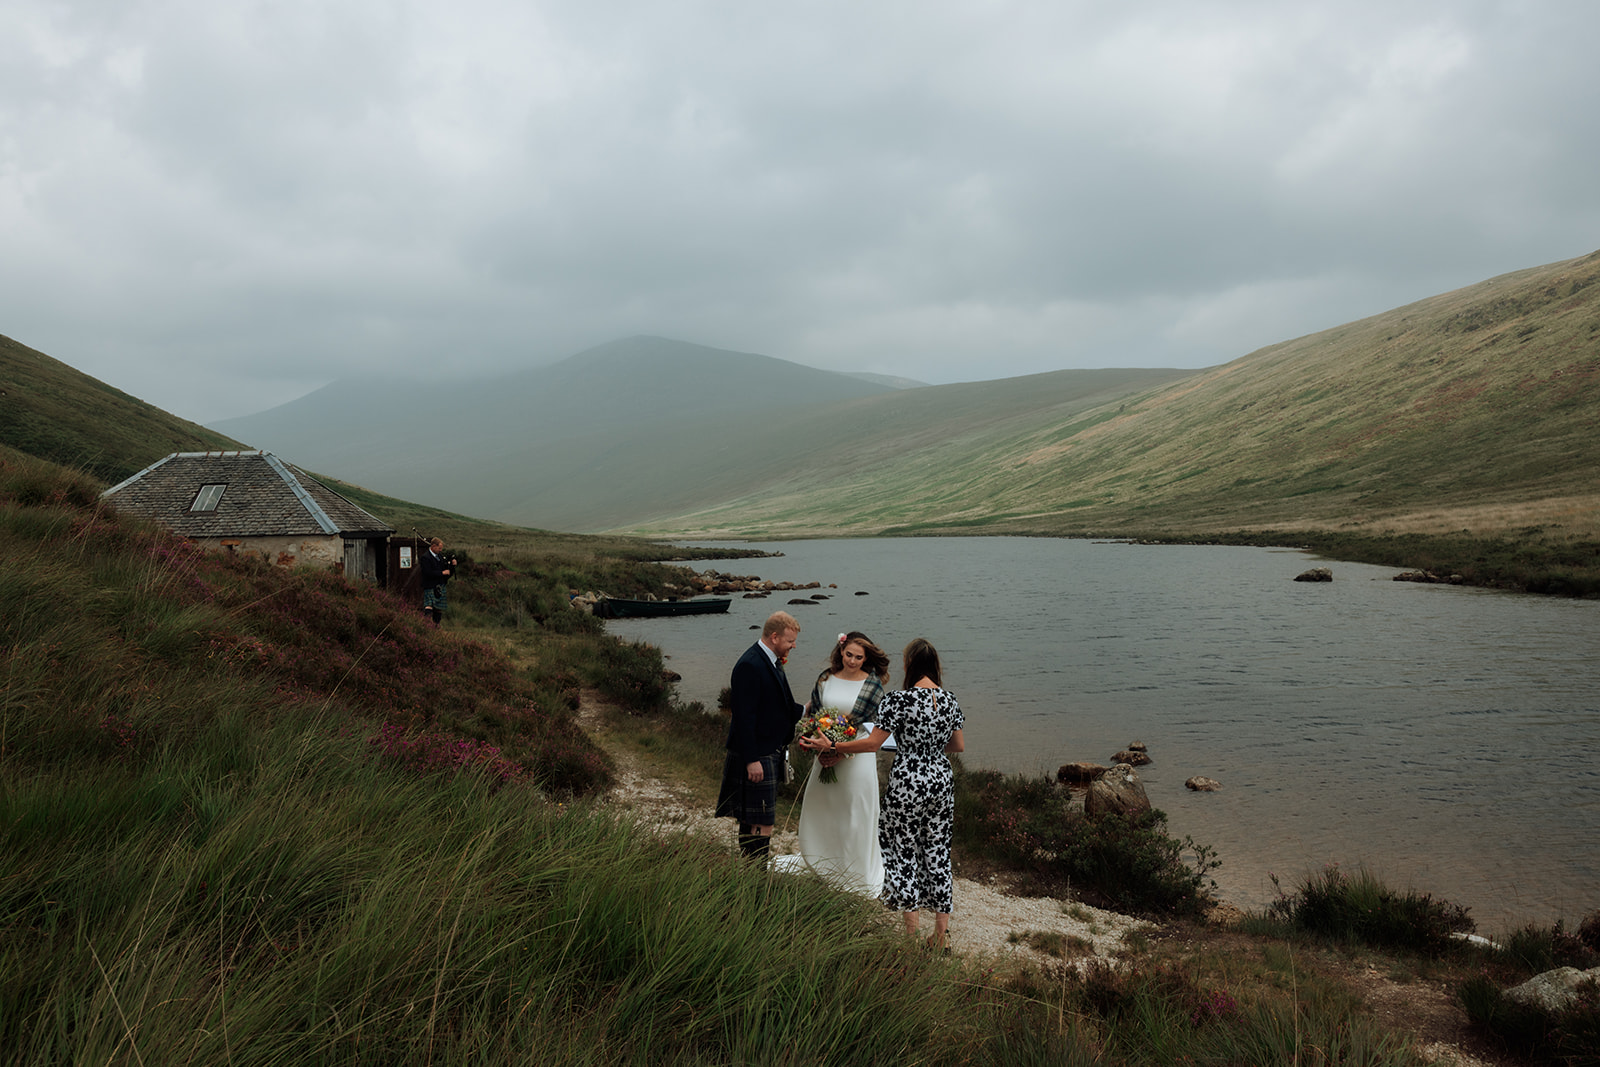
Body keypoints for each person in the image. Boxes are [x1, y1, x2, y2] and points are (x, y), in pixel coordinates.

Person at [799, 637, 964, 950]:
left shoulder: (898, 700)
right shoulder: (950, 700)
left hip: (908, 782)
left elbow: (872, 744)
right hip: (942, 780)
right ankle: (940, 937)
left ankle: (911, 935)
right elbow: (958, 746)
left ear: (909, 666)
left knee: (903, 850)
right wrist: (928, 748)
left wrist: (833, 745)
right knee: (938, 851)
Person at [784, 631, 890, 896]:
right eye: (849, 654)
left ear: (866, 658)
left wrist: (841, 751)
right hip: (824, 756)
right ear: (840, 651)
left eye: (858, 657)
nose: (852, 661)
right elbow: (815, 716)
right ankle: (823, 863)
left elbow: (872, 729)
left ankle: (853, 870)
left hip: (857, 761)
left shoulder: (873, 685)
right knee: (825, 809)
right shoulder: (825, 678)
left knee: (853, 814)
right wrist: (819, 746)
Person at [716, 611, 804, 864]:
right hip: (757, 753)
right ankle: (756, 874)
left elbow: (775, 705)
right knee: (760, 820)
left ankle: (751, 871)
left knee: (755, 818)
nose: (793, 646)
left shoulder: (771, 660)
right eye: (790, 641)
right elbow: (744, 716)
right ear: (774, 637)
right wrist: (751, 759)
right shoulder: (750, 664)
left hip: (768, 749)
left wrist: (804, 710)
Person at [419, 537, 454, 626]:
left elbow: (447, 572)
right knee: (429, 606)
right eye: (439, 548)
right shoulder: (425, 557)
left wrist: (452, 566)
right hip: (430, 585)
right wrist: (441, 573)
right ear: (433, 546)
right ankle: (426, 626)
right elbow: (427, 572)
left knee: (438, 608)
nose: (441, 550)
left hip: (439, 585)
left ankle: (436, 627)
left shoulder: (440, 557)